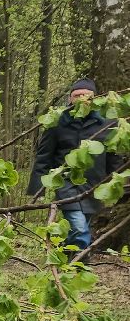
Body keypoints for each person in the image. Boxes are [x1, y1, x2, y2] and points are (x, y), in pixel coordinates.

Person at [29, 79, 120, 254]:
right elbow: (44, 156)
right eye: (77, 95)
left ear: (94, 98)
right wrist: (37, 188)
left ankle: (66, 254)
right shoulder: (57, 122)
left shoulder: (108, 124)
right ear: (70, 99)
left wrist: (115, 185)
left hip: (94, 185)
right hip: (66, 184)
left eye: (86, 95)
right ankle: (79, 264)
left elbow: (113, 158)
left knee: (80, 226)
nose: (81, 99)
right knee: (79, 227)